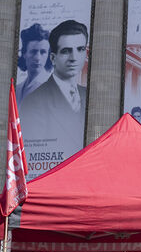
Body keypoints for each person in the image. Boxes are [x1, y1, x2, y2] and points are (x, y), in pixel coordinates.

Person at [18, 21, 89, 158]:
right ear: (53, 58)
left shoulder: (88, 96)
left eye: (80, 49)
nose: (74, 58)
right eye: (66, 51)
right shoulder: (33, 101)